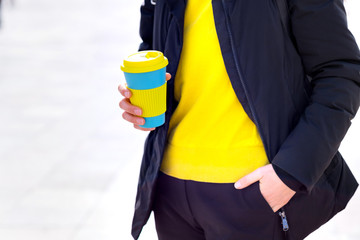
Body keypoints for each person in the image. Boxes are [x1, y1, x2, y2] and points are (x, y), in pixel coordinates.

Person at [119, 0, 360, 239]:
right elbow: (154, 42)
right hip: (169, 187)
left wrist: (291, 173)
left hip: (251, 190)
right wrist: (145, 98)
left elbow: (340, 72)